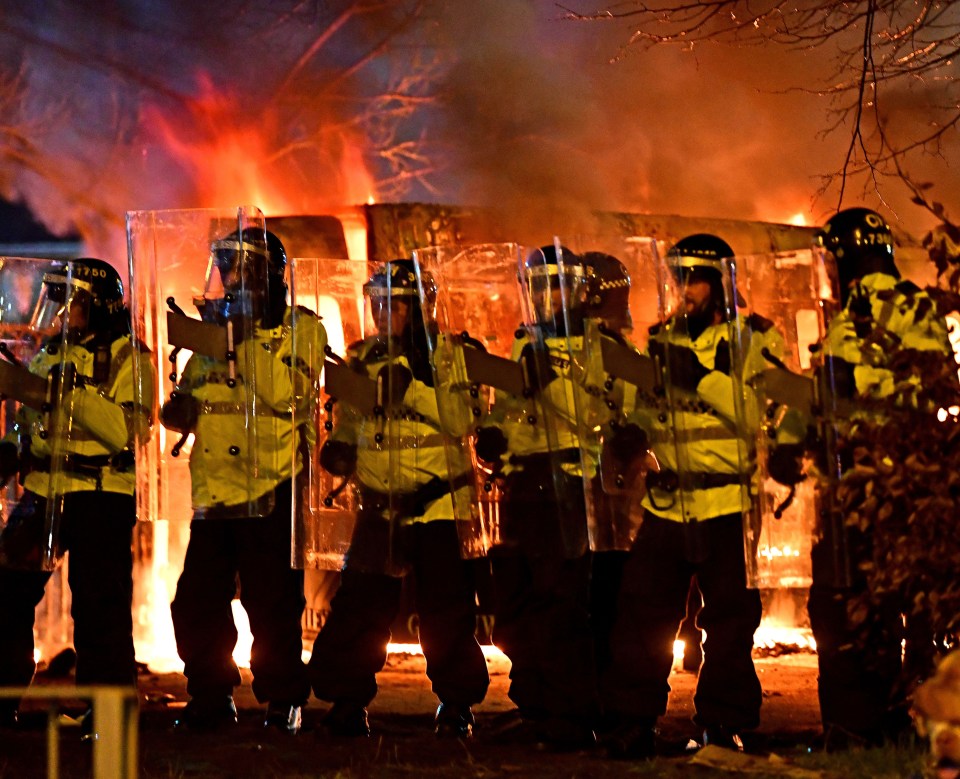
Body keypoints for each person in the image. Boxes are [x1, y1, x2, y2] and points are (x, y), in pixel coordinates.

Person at [600, 234, 784, 758]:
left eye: (695, 279)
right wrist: (631, 436)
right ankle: (632, 721)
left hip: (726, 505)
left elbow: (757, 417)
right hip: (666, 505)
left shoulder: (754, 341)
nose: (684, 290)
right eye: (678, 278)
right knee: (643, 616)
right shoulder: (660, 341)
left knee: (729, 622)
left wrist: (702, 379)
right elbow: (640, 410)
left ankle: (723, 725)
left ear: (722, 284)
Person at [307, 258, 489, 739]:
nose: (383, 313)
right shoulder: (361, 357)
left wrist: (416, 391)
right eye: (377, 303)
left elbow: (461, 421)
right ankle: (347, 702)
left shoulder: (450, 355)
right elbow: (350, 419)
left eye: (394, 304)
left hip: (437, 502)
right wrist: (342, 445)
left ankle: (456, 706)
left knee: (445, 611)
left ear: (418, 307)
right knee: (361, 607)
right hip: (379, 502)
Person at [799, 207, 955, 748]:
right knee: (855, 605)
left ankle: (873, 723)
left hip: (888, 488)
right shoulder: (855, 315)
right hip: (862, 485)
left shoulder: (901, 307)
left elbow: (929, 389)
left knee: (867, 606)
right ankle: (863, 724)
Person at [162, 228, 326, 735]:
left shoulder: (301, 330)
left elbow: (288, 396)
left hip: (270, 485)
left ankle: (283, 701)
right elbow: (194, 396)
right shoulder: (212, 336)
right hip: (213, 491)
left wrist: (244, 339)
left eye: (233, 269)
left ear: (259, 275)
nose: (224, 280)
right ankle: (211, 696)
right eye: (222, 268)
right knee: (196, 603)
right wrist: (178, 410)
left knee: (273, 603)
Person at [0, 257, 142, 733]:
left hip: (101, 492)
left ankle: (107, 714)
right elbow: (30, 421)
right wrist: (10, 448)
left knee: (99, 605)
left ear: (98, 305)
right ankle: (5, 696)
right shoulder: (51, 353)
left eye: (73, 300)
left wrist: (70, 393)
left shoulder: (130, 357)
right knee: (7, 591)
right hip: (45, 488)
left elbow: (124, 431)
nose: (61, 310)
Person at [474, 245, 600, 750]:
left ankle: (569, 716)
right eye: (539, 286)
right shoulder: (526, 344)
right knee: (520, 601)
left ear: (576, 291)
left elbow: (601, 413)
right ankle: (533, 707)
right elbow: (510, 408)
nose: (547, 297)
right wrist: (493, 435)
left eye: (556, 285)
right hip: (524, 485)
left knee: (561, 604)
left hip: (568, 485)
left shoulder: (596, 346)